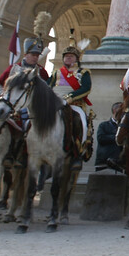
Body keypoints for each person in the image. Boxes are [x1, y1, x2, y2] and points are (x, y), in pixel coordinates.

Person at [0, 37, 50, 169]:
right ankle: (7, 152)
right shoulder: (13, 68)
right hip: (11, 104)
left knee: (32, 126)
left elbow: (46, 91)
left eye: (37, 55)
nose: (35, 57)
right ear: (25, 54)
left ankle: (25, 155)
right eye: (33, 54)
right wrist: (2, 99)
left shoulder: (42, 72)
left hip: (31, 106)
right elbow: (0, 86)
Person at [47, 31, 93, 171]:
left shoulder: (83, 72)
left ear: (77, 59)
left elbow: (86, 88)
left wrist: (69, 98)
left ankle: (78, 152)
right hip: (55, 104)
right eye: (66, 56)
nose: (68, 58)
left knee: (81, 123)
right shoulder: (56, 73)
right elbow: (48, 87)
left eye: (71, 56)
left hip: (74, 104)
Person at [97, 102, 123, 172]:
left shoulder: (125, 127)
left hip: (120, 164)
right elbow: (101, 138)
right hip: (104, 163)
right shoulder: (103, 125)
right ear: (115, 110)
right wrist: (118, 137)